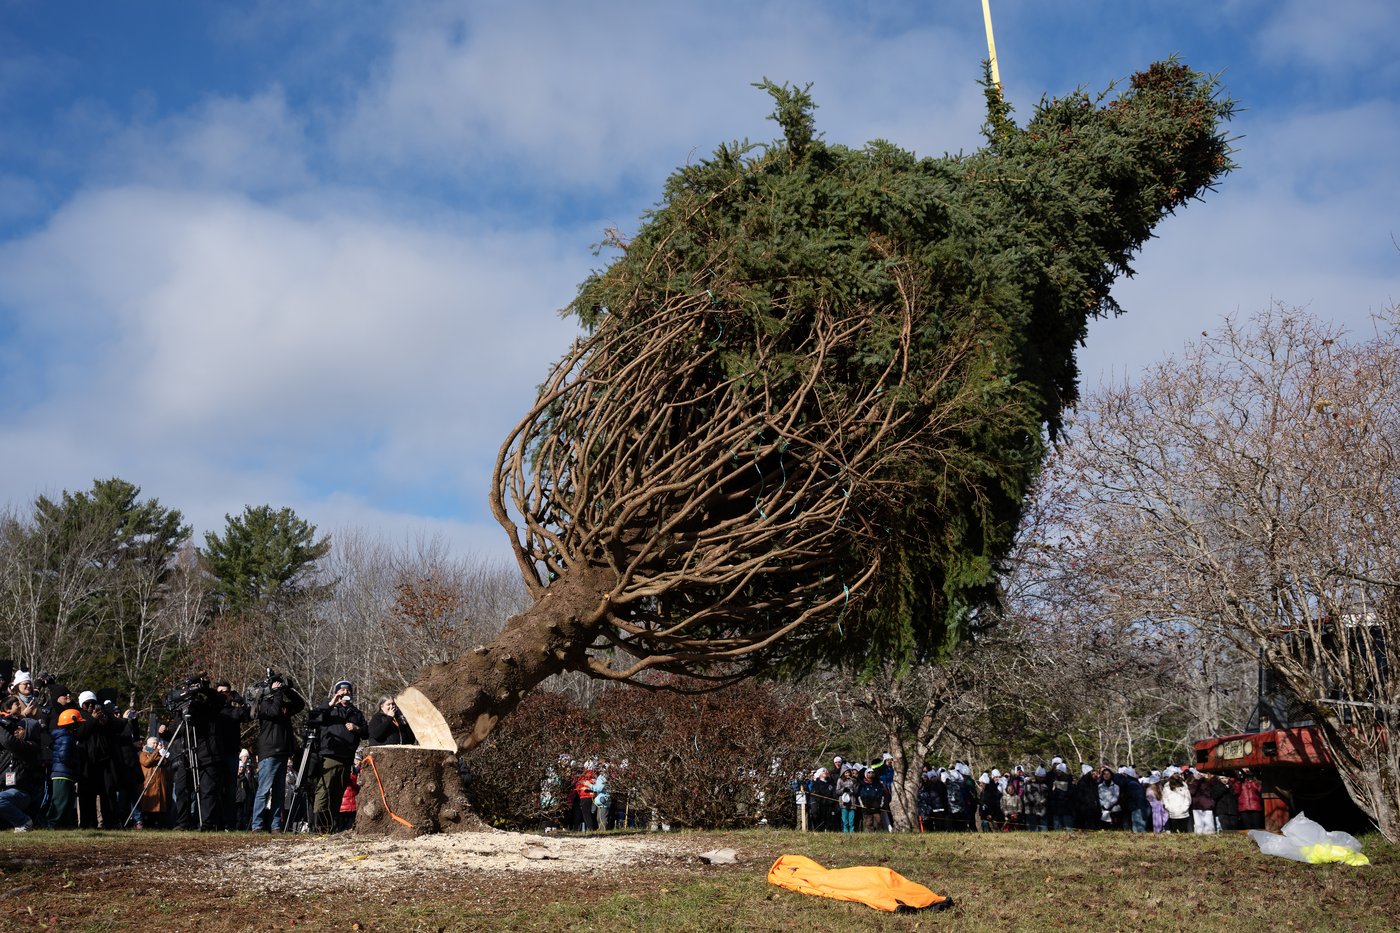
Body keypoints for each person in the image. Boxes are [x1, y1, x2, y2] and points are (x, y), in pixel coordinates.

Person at [250, 671, 305, 833]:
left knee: (279, 792)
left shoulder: (282, 704)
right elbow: (273, 712)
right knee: (264, 790)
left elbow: (300, 704)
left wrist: (287, 690)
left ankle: (275, 826)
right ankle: (257, 825)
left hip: (282, 752)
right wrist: (277, 693)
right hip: (269, 752)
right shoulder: (263, 704)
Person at [311, 680, 366, 833]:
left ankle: (330, 827)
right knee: (324, 791)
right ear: (336, 693)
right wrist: (331, 703)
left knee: (338, 793)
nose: (345, 693)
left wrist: (357, 728)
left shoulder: (356, 713)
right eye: (342, 691)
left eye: (348, 691)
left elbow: (367, 732)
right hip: (330, 756)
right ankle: (318, 826)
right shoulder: (330, 710)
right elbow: (314, 717)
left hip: (347, 758)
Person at [212, 680, 250, 829]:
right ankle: (216, 822)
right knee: (215, 788)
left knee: (230, 789)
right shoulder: (212, 711)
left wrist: (239, 700)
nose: (223, 695)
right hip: (215, 754)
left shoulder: (235, 711)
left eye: (225, 692)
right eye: (220, 692)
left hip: (231, 753)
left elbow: (248, 715)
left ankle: (230, 823)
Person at [0, 707, 44, 831]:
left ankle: (23, 822)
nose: (16, 731)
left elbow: (8, 741)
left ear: (29, 731)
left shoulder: (31, 747)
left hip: (20, 793)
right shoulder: (10, 750)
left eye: (20, 729)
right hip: (5, 791)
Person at [835, 768, 858, 833]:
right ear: (843, 773)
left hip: (852, 802)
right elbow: (837, 791)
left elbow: (856, 791)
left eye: (849, 772)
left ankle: (852, 831)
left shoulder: (853, 780)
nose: (848, 774)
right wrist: (843, 790)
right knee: (845, 819)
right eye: (846, 773)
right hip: (843, 802)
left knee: (851, 819)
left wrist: (853, 788)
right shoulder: (840, 780)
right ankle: (845, 831)